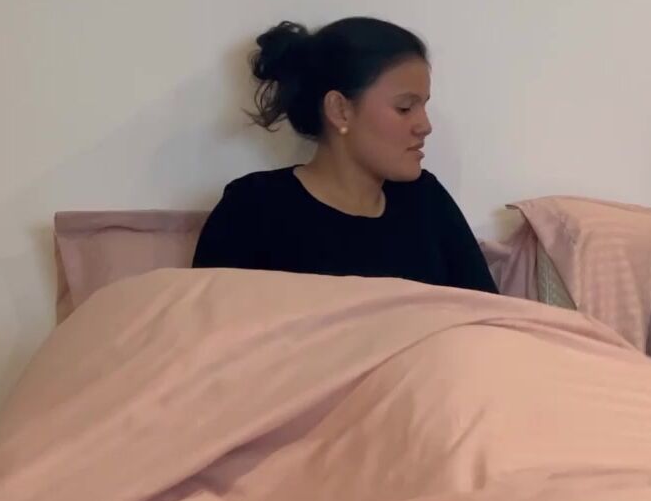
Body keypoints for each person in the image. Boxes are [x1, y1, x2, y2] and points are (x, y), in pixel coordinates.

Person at [192, 17, 497, 294]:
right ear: (340, 110)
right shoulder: (253, 207)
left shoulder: (426, 200)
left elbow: (488, 317)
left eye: (423, 106)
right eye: (405, 108)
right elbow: (209, 326)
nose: (425, 126)